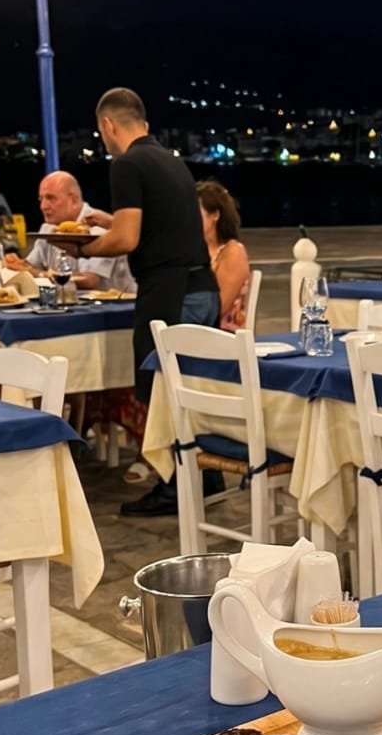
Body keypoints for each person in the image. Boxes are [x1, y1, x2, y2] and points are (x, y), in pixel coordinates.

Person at [73, 88, 220, 514]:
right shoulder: (169, 160)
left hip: (168, 291)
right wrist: (107, 220)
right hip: (200, 287)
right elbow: (158, 221)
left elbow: (127, 239)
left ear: (107, 125)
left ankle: (175, 488)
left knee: (161, 390)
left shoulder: (127, 164)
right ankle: (205, 476)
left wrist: (82, 249)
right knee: (188, 389)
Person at [4, 170, 136, 293]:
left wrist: (37, 273)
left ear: (73, 200)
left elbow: (89, 280)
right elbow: (31, 265)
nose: (43, 206)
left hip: (116, 309)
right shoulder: (48, 228)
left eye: (51, 198)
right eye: (41, 199)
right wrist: (16, 264)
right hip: (70, 306)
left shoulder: (97, 227)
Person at [197, 181, 251, 332]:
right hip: (193, 334)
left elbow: (217, 308)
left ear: (214, 215)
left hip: (222, 340)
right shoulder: (192, 250)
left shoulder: (233, 252)